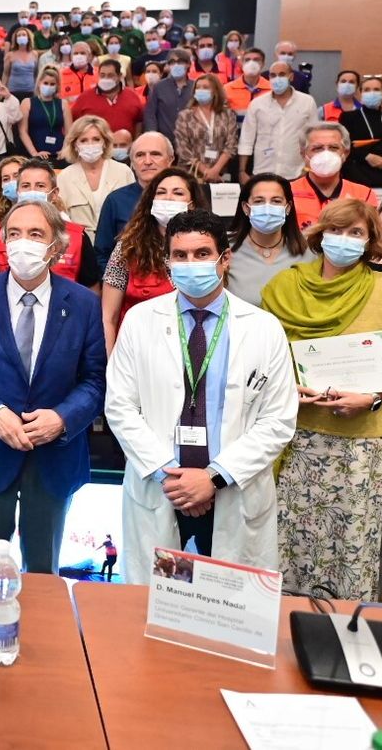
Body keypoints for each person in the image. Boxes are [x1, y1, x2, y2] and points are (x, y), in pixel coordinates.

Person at [105, 210, 298, 574]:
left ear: (224, 259)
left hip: (230, 489)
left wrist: (212, 478)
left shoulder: (263, 328)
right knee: (155, 609)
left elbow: (279, 420)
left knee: (229, 609)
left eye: (202, 254)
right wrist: (171, 477)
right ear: (168, 263)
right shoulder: (140, 321)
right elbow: (120, 407)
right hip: (162, 487)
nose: (190, 264)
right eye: (180, 256)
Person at [260, 198, 382, 600]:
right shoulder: (284, 286)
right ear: (319, 234)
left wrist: (370, 396)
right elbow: (262, 355)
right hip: (291, 434)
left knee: (348, 538)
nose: (344, 240)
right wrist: (284, 387)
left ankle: (344, 630)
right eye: (337, 230)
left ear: (370, 242)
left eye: (356, 233)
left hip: (358, 441)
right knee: (285, 534)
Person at [0, 200, 107, 573]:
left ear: (57, 245)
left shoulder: (83, 304)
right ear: (2, 242)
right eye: (15, 234)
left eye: (36, 234)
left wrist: (62, 418)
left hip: (54, 456)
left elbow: (95, 380)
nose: (24, 243)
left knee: (43, 570)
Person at [101, 169, 204, 349]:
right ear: (151, 202)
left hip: (192, 350)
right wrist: (110, 365)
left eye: (178, 193)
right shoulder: (128, 247)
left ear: (192, 204)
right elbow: (108, 317)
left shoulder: (206, 248)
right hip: (137, 351)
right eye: (161, 192)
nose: (168, 198)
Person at [0, 160, 102, 288]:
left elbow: (91, 289)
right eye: (26, 186)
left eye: (40, 186)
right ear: (18, 191)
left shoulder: (77, 236)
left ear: (54, 194)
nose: (32, 191)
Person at [225, 174, 314, 305]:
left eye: (276, 201)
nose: (267, 208)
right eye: (259, 201)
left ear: (288, 208)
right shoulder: (223, 247)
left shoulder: (310, 251)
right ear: (246, 208)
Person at [94, 132, 174, 267]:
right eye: (140, 155)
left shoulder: (185, 196)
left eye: (155, 154)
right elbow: (102, 254)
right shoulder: (115, 201)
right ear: (132, 163)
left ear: (170, 159)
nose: (147, 161)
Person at [57, 115, 135, 240]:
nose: (90, 145)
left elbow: (134, 214)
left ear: (105, 142)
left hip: (118, 245)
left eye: (96, 139)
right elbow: (60, 220)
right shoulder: (64, 177)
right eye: (83, 140)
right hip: (80, 247)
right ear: (75, 145)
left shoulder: (123, 172)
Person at [238, 60, 318, 179]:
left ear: (291, 77)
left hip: (296, 172)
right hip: (263, 170)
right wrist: (242, 171)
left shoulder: (307, 102)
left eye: (281, 74)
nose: (277, 79)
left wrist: (307, 169)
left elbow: (314, 138)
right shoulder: (257, 104)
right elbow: (246, 138)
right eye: (273, 75)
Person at [289, 122, 377, 228]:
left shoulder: (364, 195)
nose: (326, 155)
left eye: (333, 148)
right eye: (317, 148)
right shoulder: (287, 192)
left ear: (345, 153)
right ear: (303, 154)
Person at [174, 72, 238, 185]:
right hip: (191, 174)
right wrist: (205, 171)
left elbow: (231, 144)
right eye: (198, 87)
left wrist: (215, 170)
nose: (201, 90)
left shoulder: (228, 114)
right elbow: (182, 148)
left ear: (215, 91)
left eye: (206, 87)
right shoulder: (185, 116)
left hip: (220, 175)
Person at [18, 65, 72, 165]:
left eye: (52, 84)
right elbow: (22, 131)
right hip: (35, 154)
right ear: (39, 83)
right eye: (46, 83)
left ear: (57, 86)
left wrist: (64, 150)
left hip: (58, 154)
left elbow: (70, 132)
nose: (49, 86)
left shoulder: (63, 103)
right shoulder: (27, 103)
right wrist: (34, 153)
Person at [142, 50, 195, 142]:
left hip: (191, 141)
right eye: (172, 62)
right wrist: (153, 137)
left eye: (180, 61)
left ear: (188, 64)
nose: (176, 65)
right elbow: (150, 114)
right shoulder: (158, 87)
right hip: (164, 141)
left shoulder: (195, 86)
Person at [222, 48, 271, 120]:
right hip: (237, 130)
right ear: (242, 63)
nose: (251, 63)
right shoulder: (227, 89)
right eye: (247, 60)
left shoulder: (271, 89)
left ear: (263, 64)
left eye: (256, 60)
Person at [2, 26, 39, 100]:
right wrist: (3, 90)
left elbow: (36, 74)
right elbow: (5, 74)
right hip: (13, 91)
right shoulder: (10, 55)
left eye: (24, 35)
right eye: (19, 35)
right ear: (15, 39)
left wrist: (37, 90)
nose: (21, 37)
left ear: (28, 38)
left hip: (30, 91)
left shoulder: (35, 54)